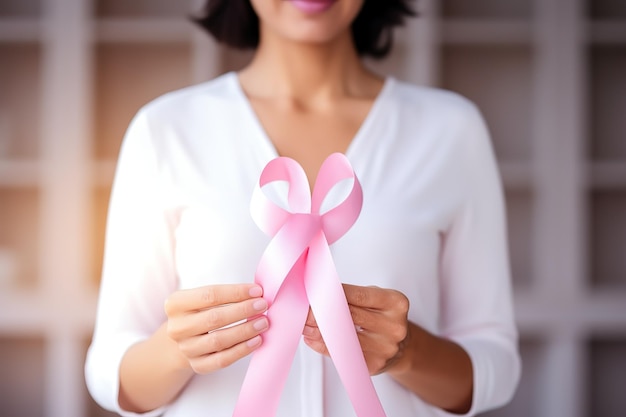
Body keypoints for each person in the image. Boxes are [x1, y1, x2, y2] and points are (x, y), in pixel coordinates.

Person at [85, 0, 521, 416]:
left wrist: (411, 352)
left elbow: (496, 366)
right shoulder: (165, 132)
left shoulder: (450, 132)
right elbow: (109, 371)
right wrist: (174, 351)